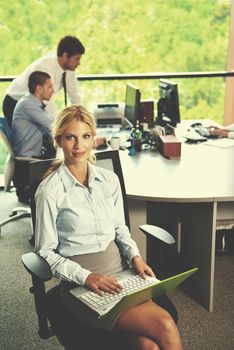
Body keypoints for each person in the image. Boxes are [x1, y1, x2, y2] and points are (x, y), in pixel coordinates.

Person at [34, 105, 183, 350]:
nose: (78, 145)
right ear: (59, 140)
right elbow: (45, 253)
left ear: (93, 138)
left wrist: (135, 258)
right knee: (165, 324)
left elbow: (120, 229)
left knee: (149, 347)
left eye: (85, 136)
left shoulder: (109, 180)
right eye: (70, 137)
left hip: (123, 275)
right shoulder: (49, 191)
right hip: (83, 286)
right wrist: (87, 277)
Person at [3, 35, 85, 127]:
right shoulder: (44, 68)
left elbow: (75, 97)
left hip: (35, 105)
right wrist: (59, 125)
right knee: (38, 135)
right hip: (15, 103)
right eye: (77, 58)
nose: (79, 63)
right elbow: (46, 103)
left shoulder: (69, 69)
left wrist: (83, 121)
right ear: (65, 56)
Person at [12, 71, 55, 158]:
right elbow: (51, 124)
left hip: (35, 155)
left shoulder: (32, 102)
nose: (53, 91)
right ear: (39, 88)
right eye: (50, 87)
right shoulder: (28, 104)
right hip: (29, 159)